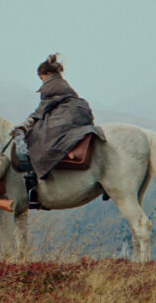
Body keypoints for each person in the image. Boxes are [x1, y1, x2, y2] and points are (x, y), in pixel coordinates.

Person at [13, 53, 105, 206]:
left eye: (41, 78)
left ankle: (37, 181)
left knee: (38, 137)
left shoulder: (49, 85)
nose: (41, 81)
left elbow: (41, 110)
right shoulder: (62, 83)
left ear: (47, 74)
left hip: (67, 116)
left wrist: (25, 125)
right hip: (82, 113)